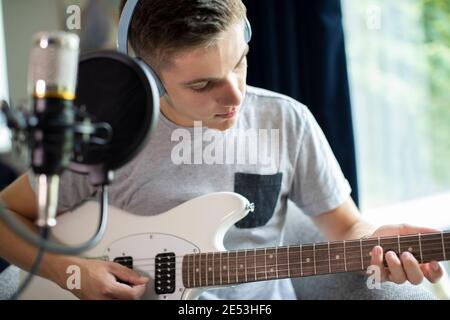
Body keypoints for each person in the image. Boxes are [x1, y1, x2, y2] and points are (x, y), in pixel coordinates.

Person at [0, 0, 443, 300]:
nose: (235, 96)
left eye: (240, 61)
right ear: (149, 80)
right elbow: (5, 214)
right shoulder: (106, 139)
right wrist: (69, 272)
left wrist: (376, 246)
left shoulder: (286, 120)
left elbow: (345, 225)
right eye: (202, 84)